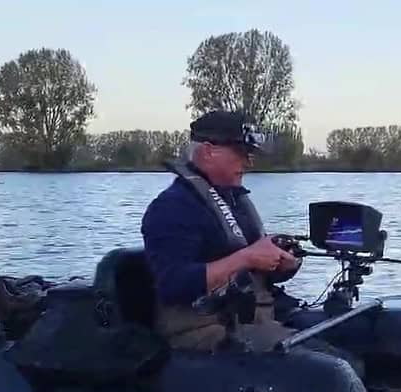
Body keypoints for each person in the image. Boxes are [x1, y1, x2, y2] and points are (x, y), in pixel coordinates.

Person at [140, 110, 363, 374]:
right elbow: (173, 284)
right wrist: (247, 257)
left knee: (352, 345)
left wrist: (282, 264)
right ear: (209, 151)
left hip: (254, 318)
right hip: (202, 329)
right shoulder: (171, 208)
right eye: (241, 153)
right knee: (337, 370)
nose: (249, 162)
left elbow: (252, 274)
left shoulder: (233, 201)